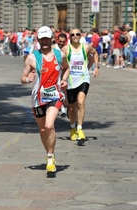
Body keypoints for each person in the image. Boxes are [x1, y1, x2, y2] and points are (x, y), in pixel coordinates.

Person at [20, 26, 69, 173]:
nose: (45, 42)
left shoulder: (60, 55)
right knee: (42, 130)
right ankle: (49, 154)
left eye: (47, 38)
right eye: (42, 39)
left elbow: (66, 68)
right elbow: (22, 78)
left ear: (52, 38)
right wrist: (27, 79)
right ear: (38, 40)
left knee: (49, 126)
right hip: (38, 98)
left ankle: (50, 157)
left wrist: (65, 79)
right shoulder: (32, 57)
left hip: (55, 95)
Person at [61, 28, 99, 141]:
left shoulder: (86, 47)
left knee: (81, 102)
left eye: (77, 34)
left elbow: (95, 53)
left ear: (80, 35)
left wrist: (96, 67)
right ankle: (72, 127)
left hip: (84, 78)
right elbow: (60, 62)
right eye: (73, 35)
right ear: (70, 36)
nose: (75, 36)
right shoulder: (66, 49)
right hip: (71, 81)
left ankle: (80, 128)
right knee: (72, 108)